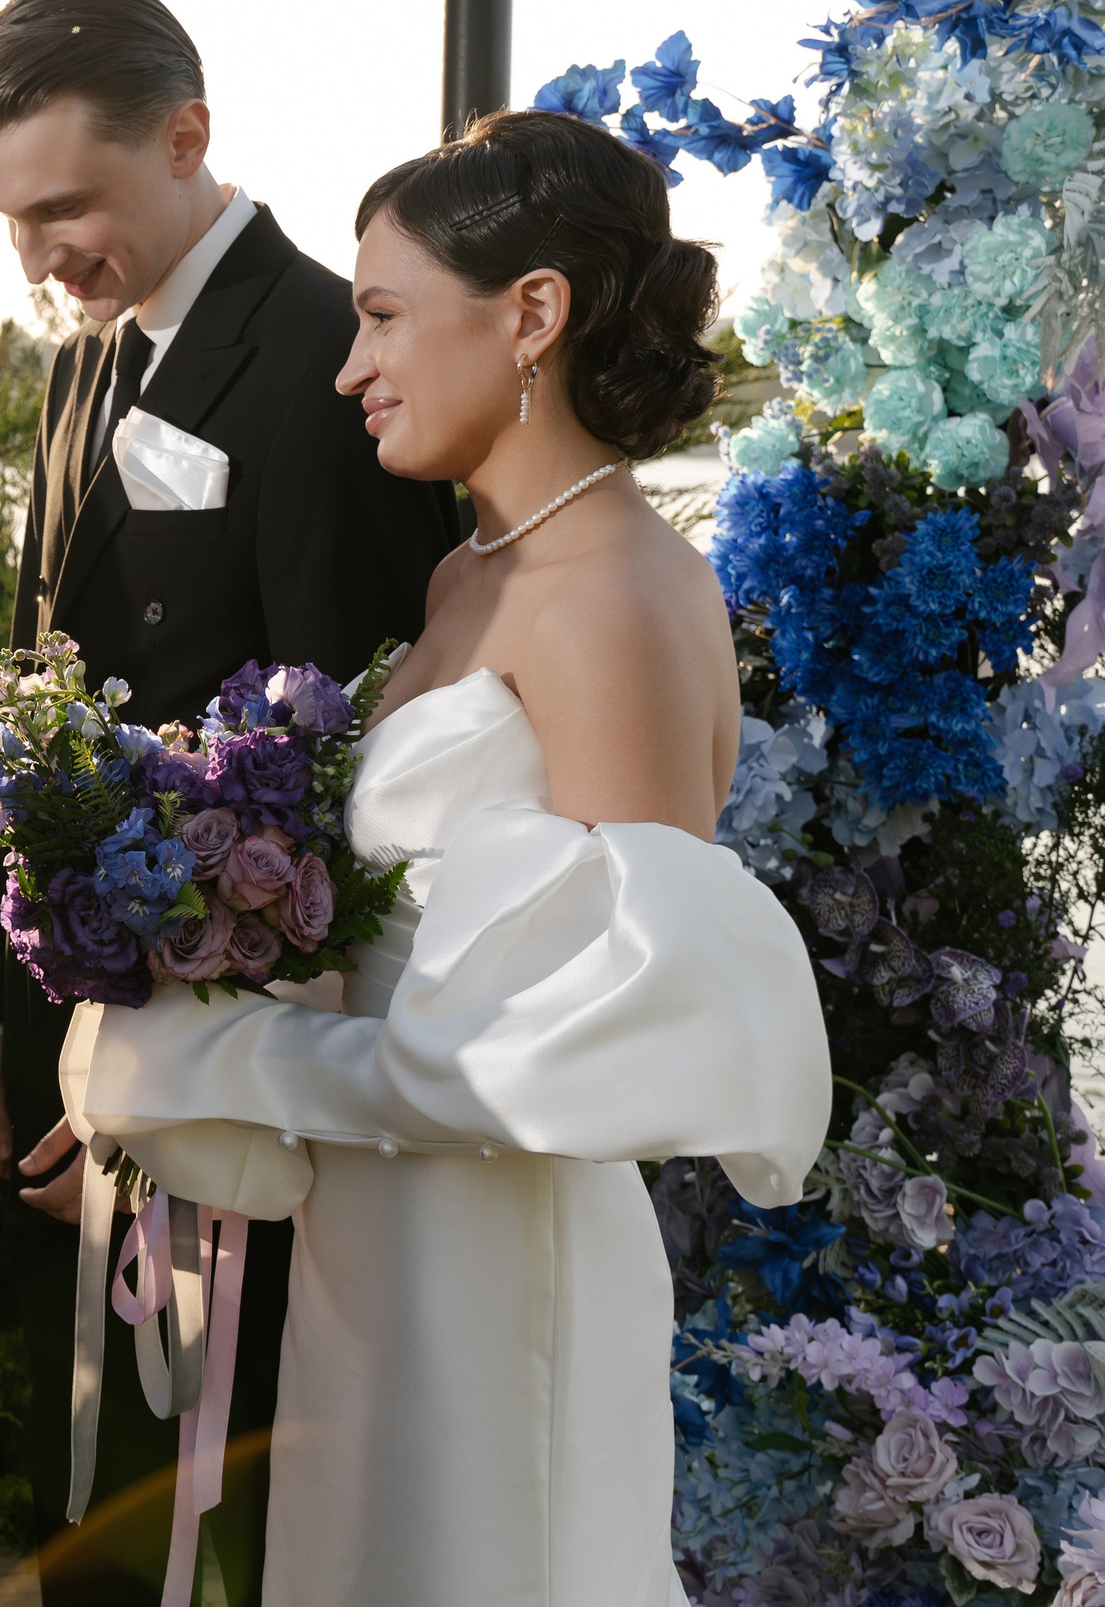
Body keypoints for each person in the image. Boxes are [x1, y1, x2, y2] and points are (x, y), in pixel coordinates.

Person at [59, 110, 832, 1604]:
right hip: (381, 1234)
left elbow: (609, 1033)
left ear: (532, 312)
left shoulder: (612, 589)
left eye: (384, 315)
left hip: (500, 1260)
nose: (351, 366)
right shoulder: (470, 567)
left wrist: (226, 1065)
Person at [0, 0, 462, 1604]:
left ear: (189, 138)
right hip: (90, 1027)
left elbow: (346, 765)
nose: (38, 255)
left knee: (213, 1505)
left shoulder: (325, 355)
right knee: (94, 1474)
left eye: (67, 205)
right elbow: (48, 699)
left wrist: (169, 1066)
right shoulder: (80, 363)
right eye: (6, 217)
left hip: (236, 1071)